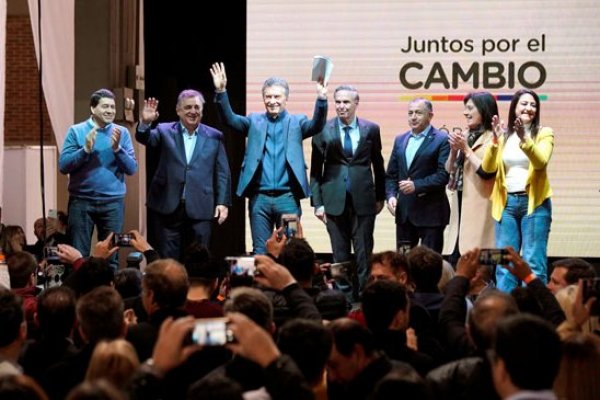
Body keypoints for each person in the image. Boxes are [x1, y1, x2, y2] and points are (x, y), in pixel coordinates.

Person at [210, 62, 328, 254]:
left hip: (287, 198)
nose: (272, 101)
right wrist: (221, 91)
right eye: (268, 96)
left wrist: (322, 99)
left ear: (286, 99)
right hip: (260, 199)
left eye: (277, 96)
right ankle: (262, 285)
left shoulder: (297, 122)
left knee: (290, 250)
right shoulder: (254, 121)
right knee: (260, 250)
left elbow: (316, 125)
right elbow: (229, 119)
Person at [310, 85, 385, 299]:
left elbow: (378, 165)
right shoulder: (323, 129)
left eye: (346, 102)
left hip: (364, 201)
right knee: (339, 256)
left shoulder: (371, 129)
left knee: (363, 255)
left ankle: (363, 299)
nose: (341, 106)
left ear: (356, 103)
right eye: (338, 102)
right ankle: (345, 299)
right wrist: (317, 203)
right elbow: (316, 170)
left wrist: (380, 197)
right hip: (333, 200)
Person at [136, 90, 232, 259]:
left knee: (200, 258)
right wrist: (145, 122)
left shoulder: (214, 136)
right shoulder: (164, 130)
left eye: (197, 107)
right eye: (188, 107)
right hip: (167, 205)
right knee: (168, 258)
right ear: (178, 110)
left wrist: (223, 202)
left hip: (201, 205)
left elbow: (223, 172)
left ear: (202, 110)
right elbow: (145, 138)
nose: (193, 111)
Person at [482, 89, 554, 292]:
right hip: (506, 205)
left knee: (533, 263)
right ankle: (506, 312)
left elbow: (540, 162)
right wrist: (495, 141)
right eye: (524, 104)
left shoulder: (544, 133)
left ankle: (533, 310)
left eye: (533, 105)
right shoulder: (504, 136)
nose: (529, 108)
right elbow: (488, 168)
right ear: (514, 107)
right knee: (504, 264)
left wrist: (525, 139)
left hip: (535, 204)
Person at [59, 89, 137, 268]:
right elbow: (64, 166)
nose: (110, 111)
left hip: (112, 203)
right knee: (78, 255)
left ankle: (108, 294)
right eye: (105, 106)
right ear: (93, 109)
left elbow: (131, 168)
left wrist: (118, 150)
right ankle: (81, 294)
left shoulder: (122, 133)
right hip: (81, 202)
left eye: (112, 107)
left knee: (111, 257)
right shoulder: (76, 131)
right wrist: (85, 149)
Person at [385, 98, 450, 253]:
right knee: (403, 260)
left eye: (418, 113)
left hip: (431, 215)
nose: (413, 117)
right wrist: (391, 196)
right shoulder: (400, 139)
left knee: (429, 263)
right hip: (404, 215)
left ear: (430, 115)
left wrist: (417, 185)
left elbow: (443, 175)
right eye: (410, 113)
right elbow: (391, 175)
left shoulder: (442, 139)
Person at [445, 92, 497, 260]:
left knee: (481, 259)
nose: (465, 113)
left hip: (481, 204)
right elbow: (449, 170)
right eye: (464, 108)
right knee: (457, 254)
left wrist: (466, 149)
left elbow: (487, 171)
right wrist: (454, 150)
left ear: (483, 110)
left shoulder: (494, 138)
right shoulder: (466, 134)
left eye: (470, 108)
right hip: (461, 200)